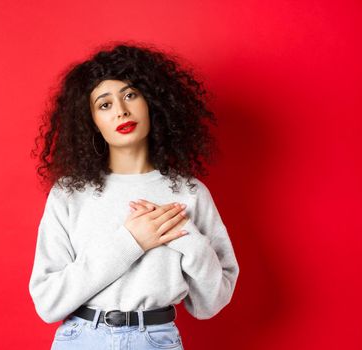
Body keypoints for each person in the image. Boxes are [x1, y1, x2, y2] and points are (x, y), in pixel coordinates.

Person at [28, 41, 240, 350]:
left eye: (130, 95)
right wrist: (131, 241)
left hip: (156, 340)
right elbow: (48, 303)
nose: (121, 111)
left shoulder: (189, 193)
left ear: (152, 102)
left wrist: (185, 237)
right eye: (105, 104)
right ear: (92, 122)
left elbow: (210, 303)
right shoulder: (69, 194)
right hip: (81, 339)